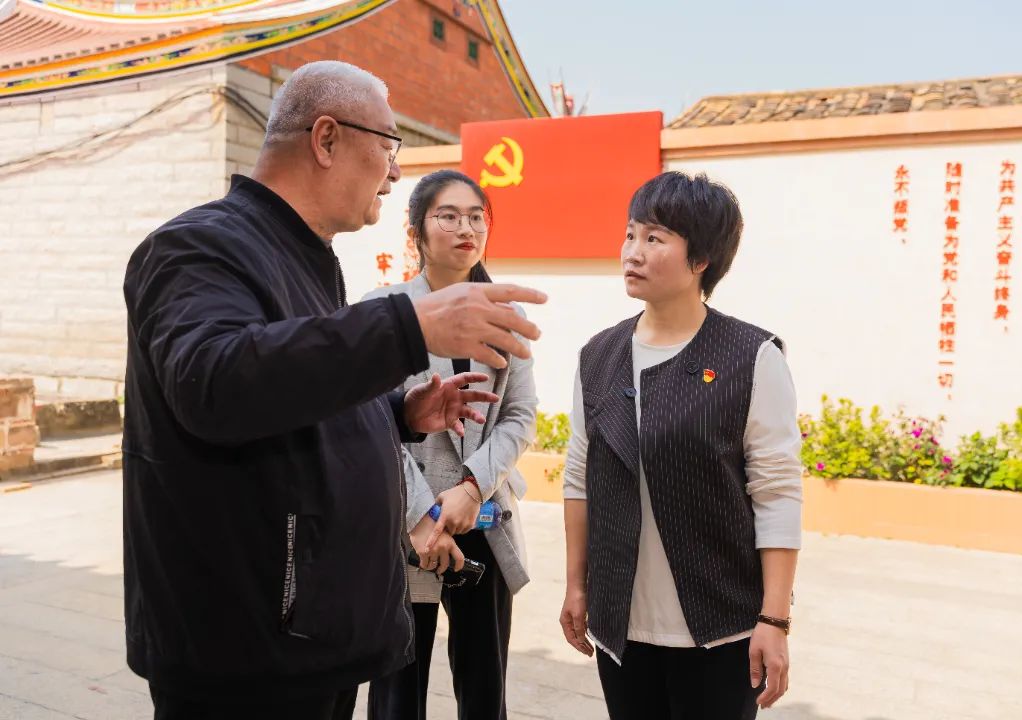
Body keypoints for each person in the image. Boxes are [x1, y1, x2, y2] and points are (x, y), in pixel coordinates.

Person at [121, 60, 545, 720]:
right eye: (388, 146)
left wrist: (395, 413)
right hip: (247, 655)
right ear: (326, 139)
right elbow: (213, 382)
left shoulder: (303, 259)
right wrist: (405, 328)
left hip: (310, 641)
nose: (395, 173)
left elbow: (292, 387)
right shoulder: (198, 247)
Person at [558, 171, 803, 720]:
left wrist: (774, 619)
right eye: (630, 234)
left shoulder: (751, 356)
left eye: (655, 238)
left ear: (701, 260)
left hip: (721, 627)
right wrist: (577, 587)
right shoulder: (598, 355)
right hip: (622, 626)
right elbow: (579, 477)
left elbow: (777, 493)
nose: (633, 251)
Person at [363, 169, 536, 720]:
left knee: (484, 684)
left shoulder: (507, 315)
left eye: (477, 217)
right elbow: (369, 420)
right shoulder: (384, 308)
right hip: (406, 523)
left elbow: (520, 416)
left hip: (481, 518)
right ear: (415, 230)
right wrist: (424, 511)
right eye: (449, 215)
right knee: (397, 690)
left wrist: (471, 487)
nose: (467, 228)